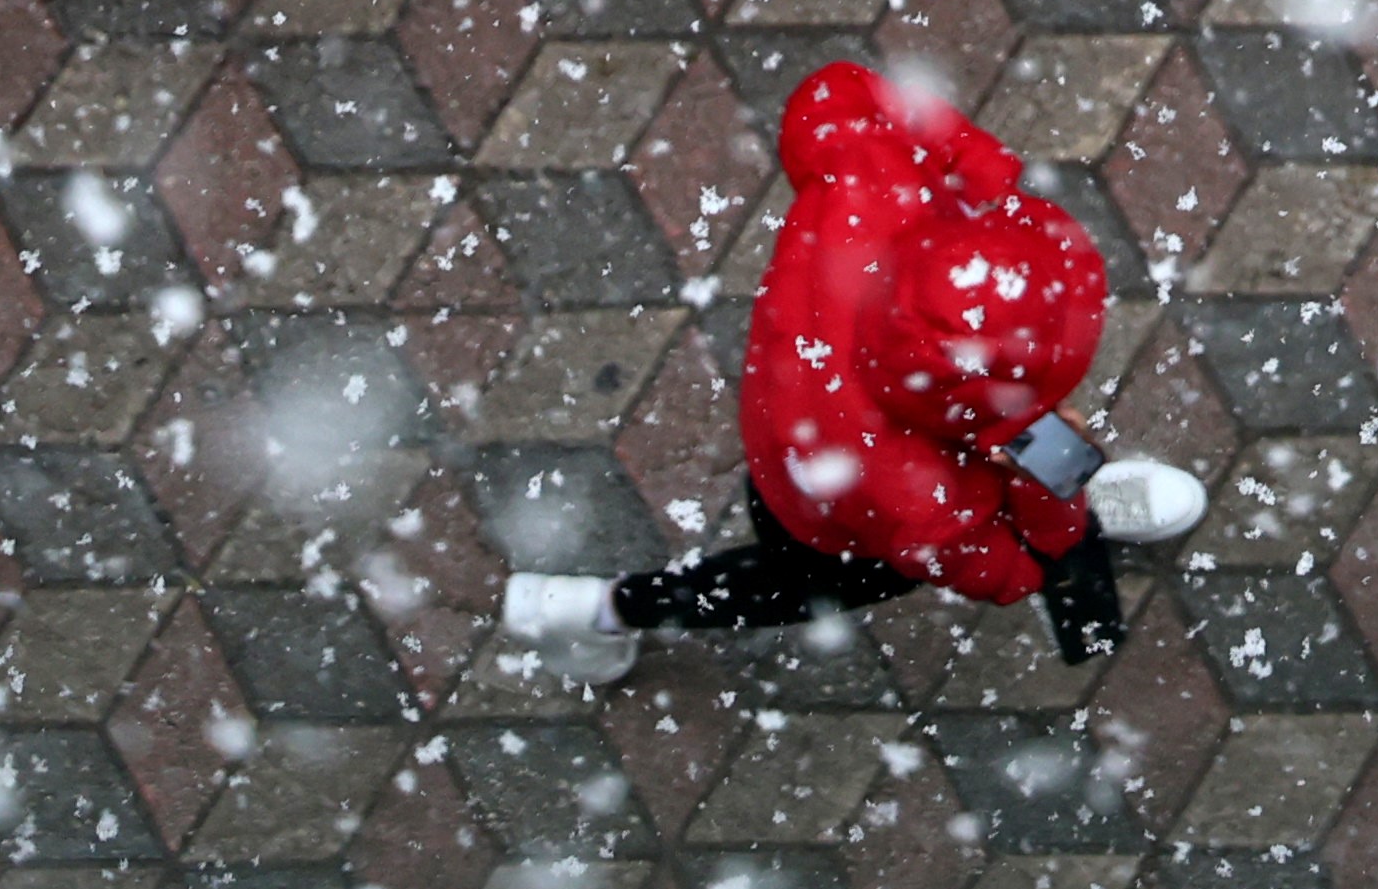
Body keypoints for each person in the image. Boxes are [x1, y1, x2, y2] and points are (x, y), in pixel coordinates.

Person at [503, 60, 1205, 677]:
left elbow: (836, 101)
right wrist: (1053, 512)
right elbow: (1006, 570)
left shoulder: (874, 198)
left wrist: (970, 166)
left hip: (798, 421)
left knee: (1017, 458)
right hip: (828, 512)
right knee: (795, 583)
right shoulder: (921, 504)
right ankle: (600, 608)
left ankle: (595, 608)